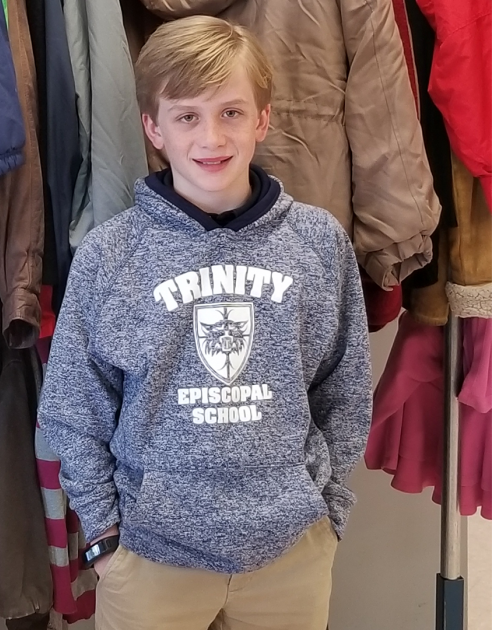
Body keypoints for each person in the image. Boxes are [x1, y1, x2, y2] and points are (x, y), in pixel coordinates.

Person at [38, 15, 373, 630]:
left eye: (232, 112)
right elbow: (72, 408)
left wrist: (329, 512)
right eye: (187, 115)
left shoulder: (318, 244)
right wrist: (106, 539)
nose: (211, 136)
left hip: (290, 553)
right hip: (149, 559)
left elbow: (344, 390)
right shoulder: (109, 255)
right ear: (153, 128)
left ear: (263, 119)